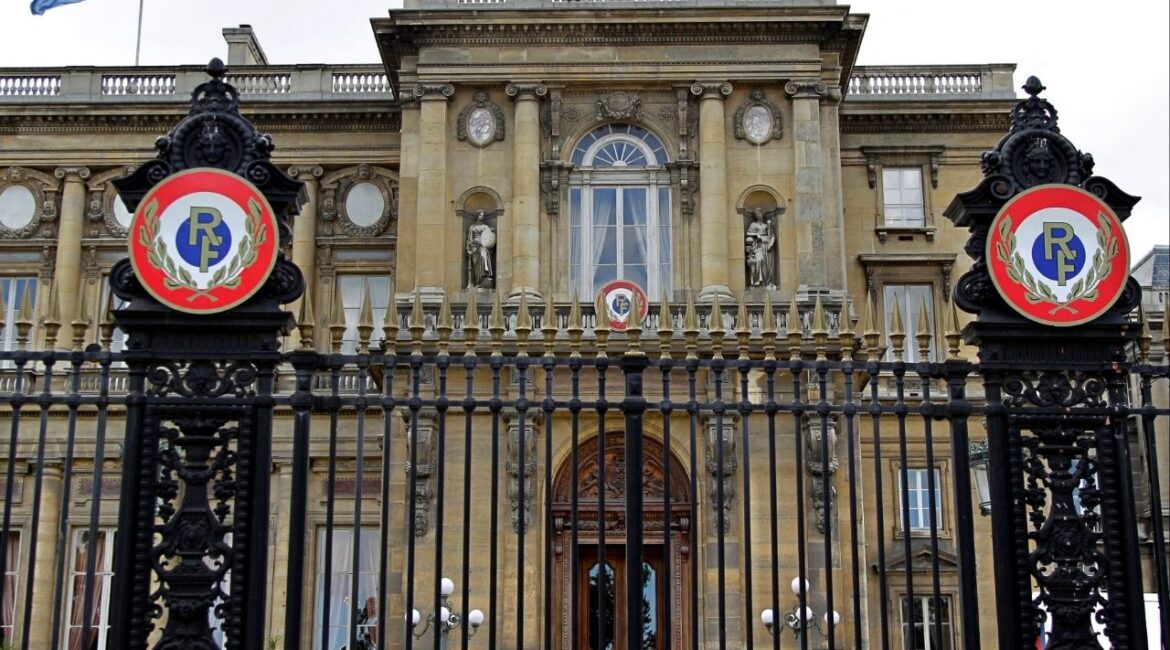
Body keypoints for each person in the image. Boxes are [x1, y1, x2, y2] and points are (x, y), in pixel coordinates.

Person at [745, 208, 776, 287]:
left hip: (767, 245)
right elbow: (748, 233)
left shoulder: (767, 225)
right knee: (759, 260)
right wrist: (756, 235)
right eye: (756, 213)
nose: (758, 214)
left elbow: (772, 235)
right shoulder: (753, 224)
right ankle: (758, 280)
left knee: (767, 264)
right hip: (758, 245)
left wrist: (771, 244)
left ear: (762, 214)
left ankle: (767, 281)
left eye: (759, 213)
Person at [466, 209, 496, 289]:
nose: (482, 216)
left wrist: (491, 231)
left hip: (483, 247)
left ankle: (484, 279)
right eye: (480, 215)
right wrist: (469, 248)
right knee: (475, 265)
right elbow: (469, 239)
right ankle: (477, 281)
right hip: (474, 247)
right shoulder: (472, 227)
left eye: (483, 215)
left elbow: (489, 237)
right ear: (477, 216)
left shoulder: (486, 227)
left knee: (483, 257)